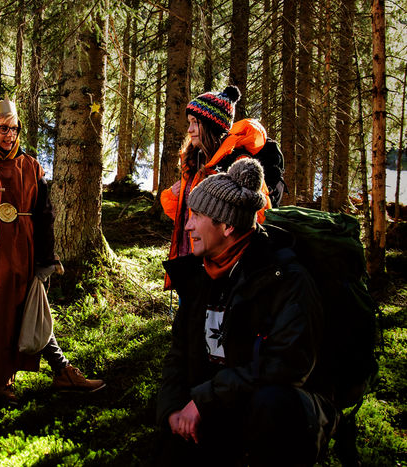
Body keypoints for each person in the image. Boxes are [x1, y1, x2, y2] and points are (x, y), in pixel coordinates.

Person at [156, 158, 337, 466]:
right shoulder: (200, 275)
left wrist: (203, 400)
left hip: (280, 411)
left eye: (196, 216)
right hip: (222, 401)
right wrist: (174, 409)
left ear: (226, 225)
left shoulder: (286, 278)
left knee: (273, 403)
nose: (187, 225)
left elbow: (287, 364)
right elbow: (178, 353)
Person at [0, 97, 105, 402]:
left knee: (31, 311)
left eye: (14, 129)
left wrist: (46, 257)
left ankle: (60, 370)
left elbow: (45, 213)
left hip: (24, 249)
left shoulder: (30, 165)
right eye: (3, 129)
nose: (10, 134)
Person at [160, 85, 271, 290]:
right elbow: (187, 217)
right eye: (189, 123)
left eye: (195, 123)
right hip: (189, 259)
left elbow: (258, 217)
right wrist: (173, 196)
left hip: (221, 267)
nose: (189, 129)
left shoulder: (238, 164)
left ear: (211, 125)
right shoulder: (194, 161)